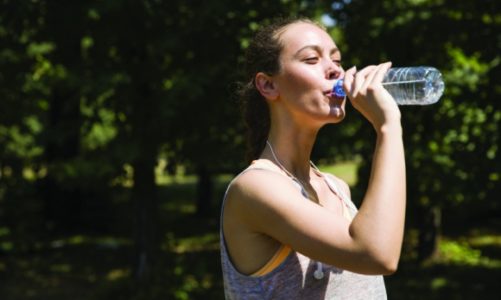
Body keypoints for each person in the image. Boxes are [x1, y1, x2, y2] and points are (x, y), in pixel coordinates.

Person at [219, 16, 406, 299]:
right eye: (311, 59)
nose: (335, 70)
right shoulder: (255, 189)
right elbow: (376, 254)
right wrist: (388, 126)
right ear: (268, 85)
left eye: (337, 60)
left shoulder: (336, 188)